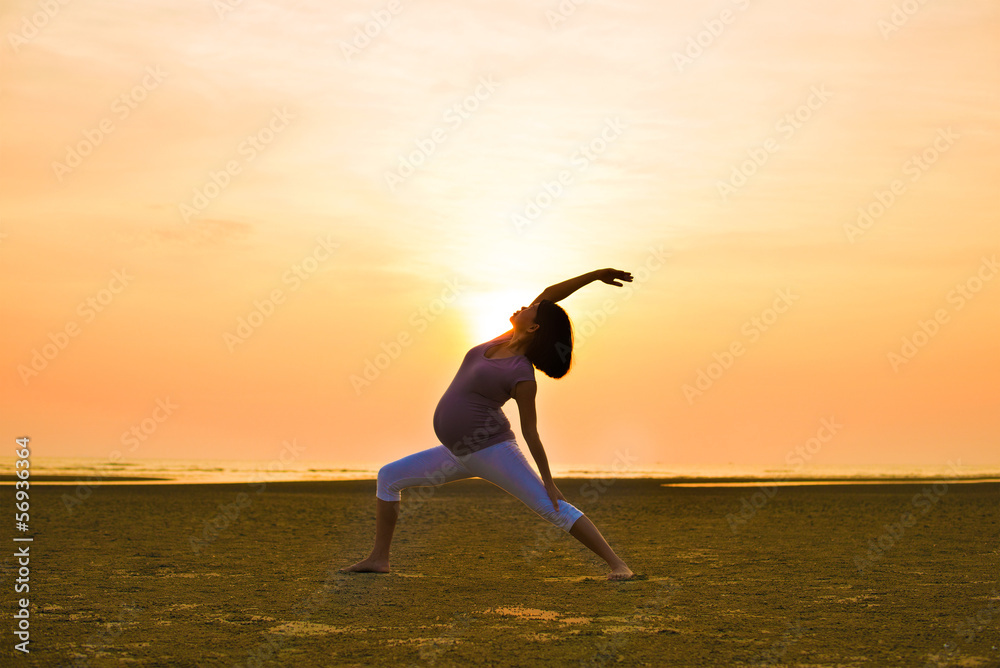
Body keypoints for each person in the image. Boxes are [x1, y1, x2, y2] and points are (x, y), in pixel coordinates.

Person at [341, 268, 635, 580]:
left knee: (551, 507)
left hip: (492, 451)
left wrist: (549, 481)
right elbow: (550, 293)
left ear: (534, 326)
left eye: (531, 308)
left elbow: (530, 431)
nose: (525, 305)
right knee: (388, 476)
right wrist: (595, 275)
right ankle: (379, 559)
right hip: (456, 453)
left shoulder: (522, 373)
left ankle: (618, 565)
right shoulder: (503, 340)